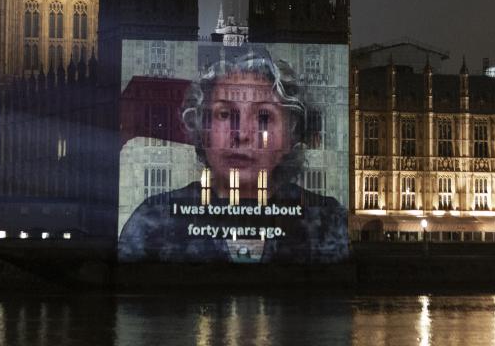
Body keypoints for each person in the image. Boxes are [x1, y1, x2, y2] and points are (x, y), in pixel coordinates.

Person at [118, 53, 349, 263]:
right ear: (201, 128)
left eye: (264, 117)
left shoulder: (325, 220)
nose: (241, 134)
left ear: (290, 136)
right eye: (225, 114)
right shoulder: (152, 220)